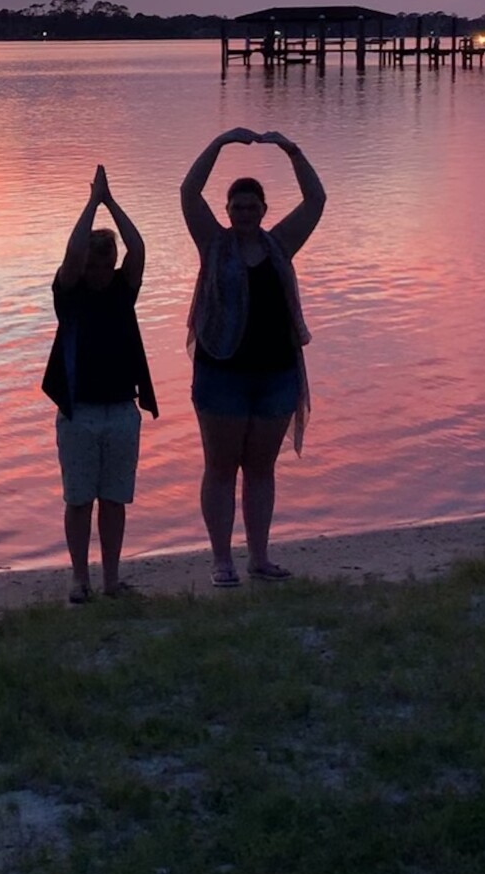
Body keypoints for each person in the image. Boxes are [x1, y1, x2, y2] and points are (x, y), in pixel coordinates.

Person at [181, 128, 326, 587]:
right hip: (221, 373)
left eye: (252, 207)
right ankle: (222, 561)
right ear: (227, 212)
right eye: (237, 207)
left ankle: (259, 558)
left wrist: (290, 150)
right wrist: (221, 141)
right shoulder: (212, 243)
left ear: (264, 211)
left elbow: (317, 199)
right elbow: (188, 191)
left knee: (261, 470)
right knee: (221, 468)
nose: (244, 213)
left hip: (277, 374)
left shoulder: (280, 244)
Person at [42, 165, 159, 603]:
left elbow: (139, 248)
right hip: (80, 412)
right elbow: (71, 256)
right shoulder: (68, 296)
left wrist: (111, 201)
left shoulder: (122, 290)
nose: (97, 269)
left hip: (122, 411)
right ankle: (80, 580)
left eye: (103, 261)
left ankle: (111, 580)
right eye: (92, 263)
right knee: (78, 501)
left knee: (114, 500)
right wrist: (91, 203)